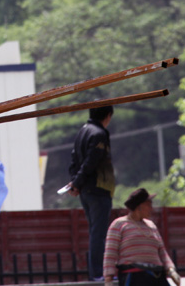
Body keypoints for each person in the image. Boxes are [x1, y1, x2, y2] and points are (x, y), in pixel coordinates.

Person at [67, 105, 115, 281]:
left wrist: (75, 183)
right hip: (98, 188)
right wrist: (76, 182)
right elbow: (90, 162)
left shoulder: (83, 131)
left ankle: (97, 272)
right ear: (108, 115)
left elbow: (74, 160)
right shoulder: (99, 134)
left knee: (95, 232)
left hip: (86, 191)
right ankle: (98, 273)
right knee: (99, 233)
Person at [102, 188, 181, 286]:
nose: (151, 208)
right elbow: (110, 253)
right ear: (139, 206)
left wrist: (171, 270)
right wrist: (108, 279)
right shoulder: (119, 224)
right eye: (148, 205)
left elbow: (162, 251)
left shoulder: (151, 225)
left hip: (156, 276)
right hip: (133, 276)